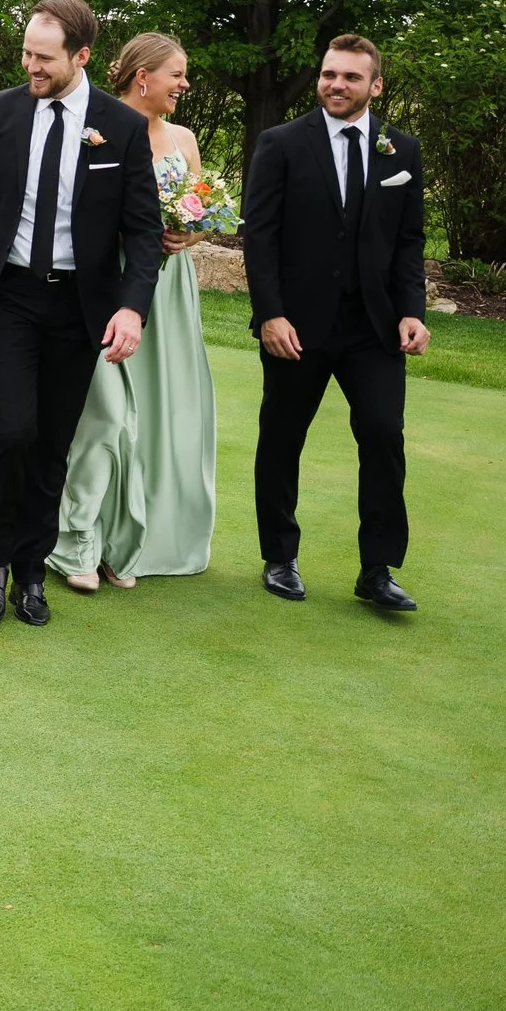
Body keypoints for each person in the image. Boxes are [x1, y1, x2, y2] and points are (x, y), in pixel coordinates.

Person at [0, 0, 162, 628]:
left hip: (80, 307)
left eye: (44, 58)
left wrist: (132, 309)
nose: (31, 67)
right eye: (26, 54)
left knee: (52, 445)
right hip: (8, 296)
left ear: (81, 56)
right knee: (11, 431)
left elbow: (143, 230)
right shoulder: (0, 112)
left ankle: (32, 572)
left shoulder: (119, 126)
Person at [244, 33, 428, 611]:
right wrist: (270, 313)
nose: (336, 85)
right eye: (329, 74)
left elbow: (408, 244)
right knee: (282, 439)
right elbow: (261, 237)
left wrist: (412, 312)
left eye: (350, 77)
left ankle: (378, 569)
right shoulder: (280, 143)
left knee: (382, 436)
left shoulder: (403, 151)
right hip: (295, 326)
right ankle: (279, 556)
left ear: (375, 86)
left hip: (373, 329)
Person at [52, 33, 215, 590]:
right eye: (177, 74)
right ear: (142, 75)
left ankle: (131, 544)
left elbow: (198, 214)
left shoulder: (184, 138)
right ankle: (78, 540)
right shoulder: (96, 126)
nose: (184, 84)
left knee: (160, 416)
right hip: (107, 285)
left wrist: (184, 236)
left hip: (169, 292)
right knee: (105, 416)